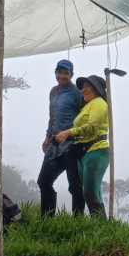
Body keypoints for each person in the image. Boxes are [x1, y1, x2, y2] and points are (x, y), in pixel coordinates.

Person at [54, 74, 110, 218]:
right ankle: (102, 227)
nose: (83, 90)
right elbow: (83, 132)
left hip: (96, 151)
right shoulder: (87, 106)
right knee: (93, 192)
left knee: (90, 193)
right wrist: (66, 137)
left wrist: (69, 132)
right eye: (82, 87)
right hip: (85, 153)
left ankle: (101, 229)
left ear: (97, 89)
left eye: (87, 86)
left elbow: (92, 127)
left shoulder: (99, 103)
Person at [37, 60, 85, 216]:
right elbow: (53, 116)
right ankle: (46, 218)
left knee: (75, 186)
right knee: (44, 181)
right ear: (56, 73)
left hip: (71, 144)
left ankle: (77, 222)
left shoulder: (77, 92)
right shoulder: (53, 91)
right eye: (60, 72)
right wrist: (47, 136)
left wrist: (76, 135)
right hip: (54, 143)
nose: (62, 76)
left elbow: (84, 116)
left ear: (71, 75)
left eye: (66, 73)